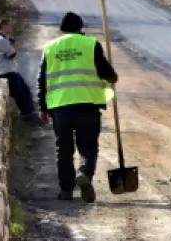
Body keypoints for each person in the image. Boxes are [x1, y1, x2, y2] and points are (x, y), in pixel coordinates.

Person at [37, 12, 118, 203]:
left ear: (61, 29)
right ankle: (85, 173)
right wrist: (112, 78)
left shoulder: (49, 48)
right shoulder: (91, 45)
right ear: (81, 28)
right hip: (87, 105)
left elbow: (42, 81)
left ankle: (66, 190)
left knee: (63, 149)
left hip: (59, 107)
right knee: (88, 146)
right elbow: (108, 74)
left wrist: (43, 108)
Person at [0, 19, 43, 124]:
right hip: (4, 72)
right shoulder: (0, 40)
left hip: (10, 71)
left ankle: (30, 113)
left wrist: (12, 48)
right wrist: (13, 49)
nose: (10, 28)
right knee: (20, 94)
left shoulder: (5, 39)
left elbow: (12, 53)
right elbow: (13, 55)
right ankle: (28, 115)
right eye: (9, 26)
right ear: (3, 26)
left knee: (26, 90)